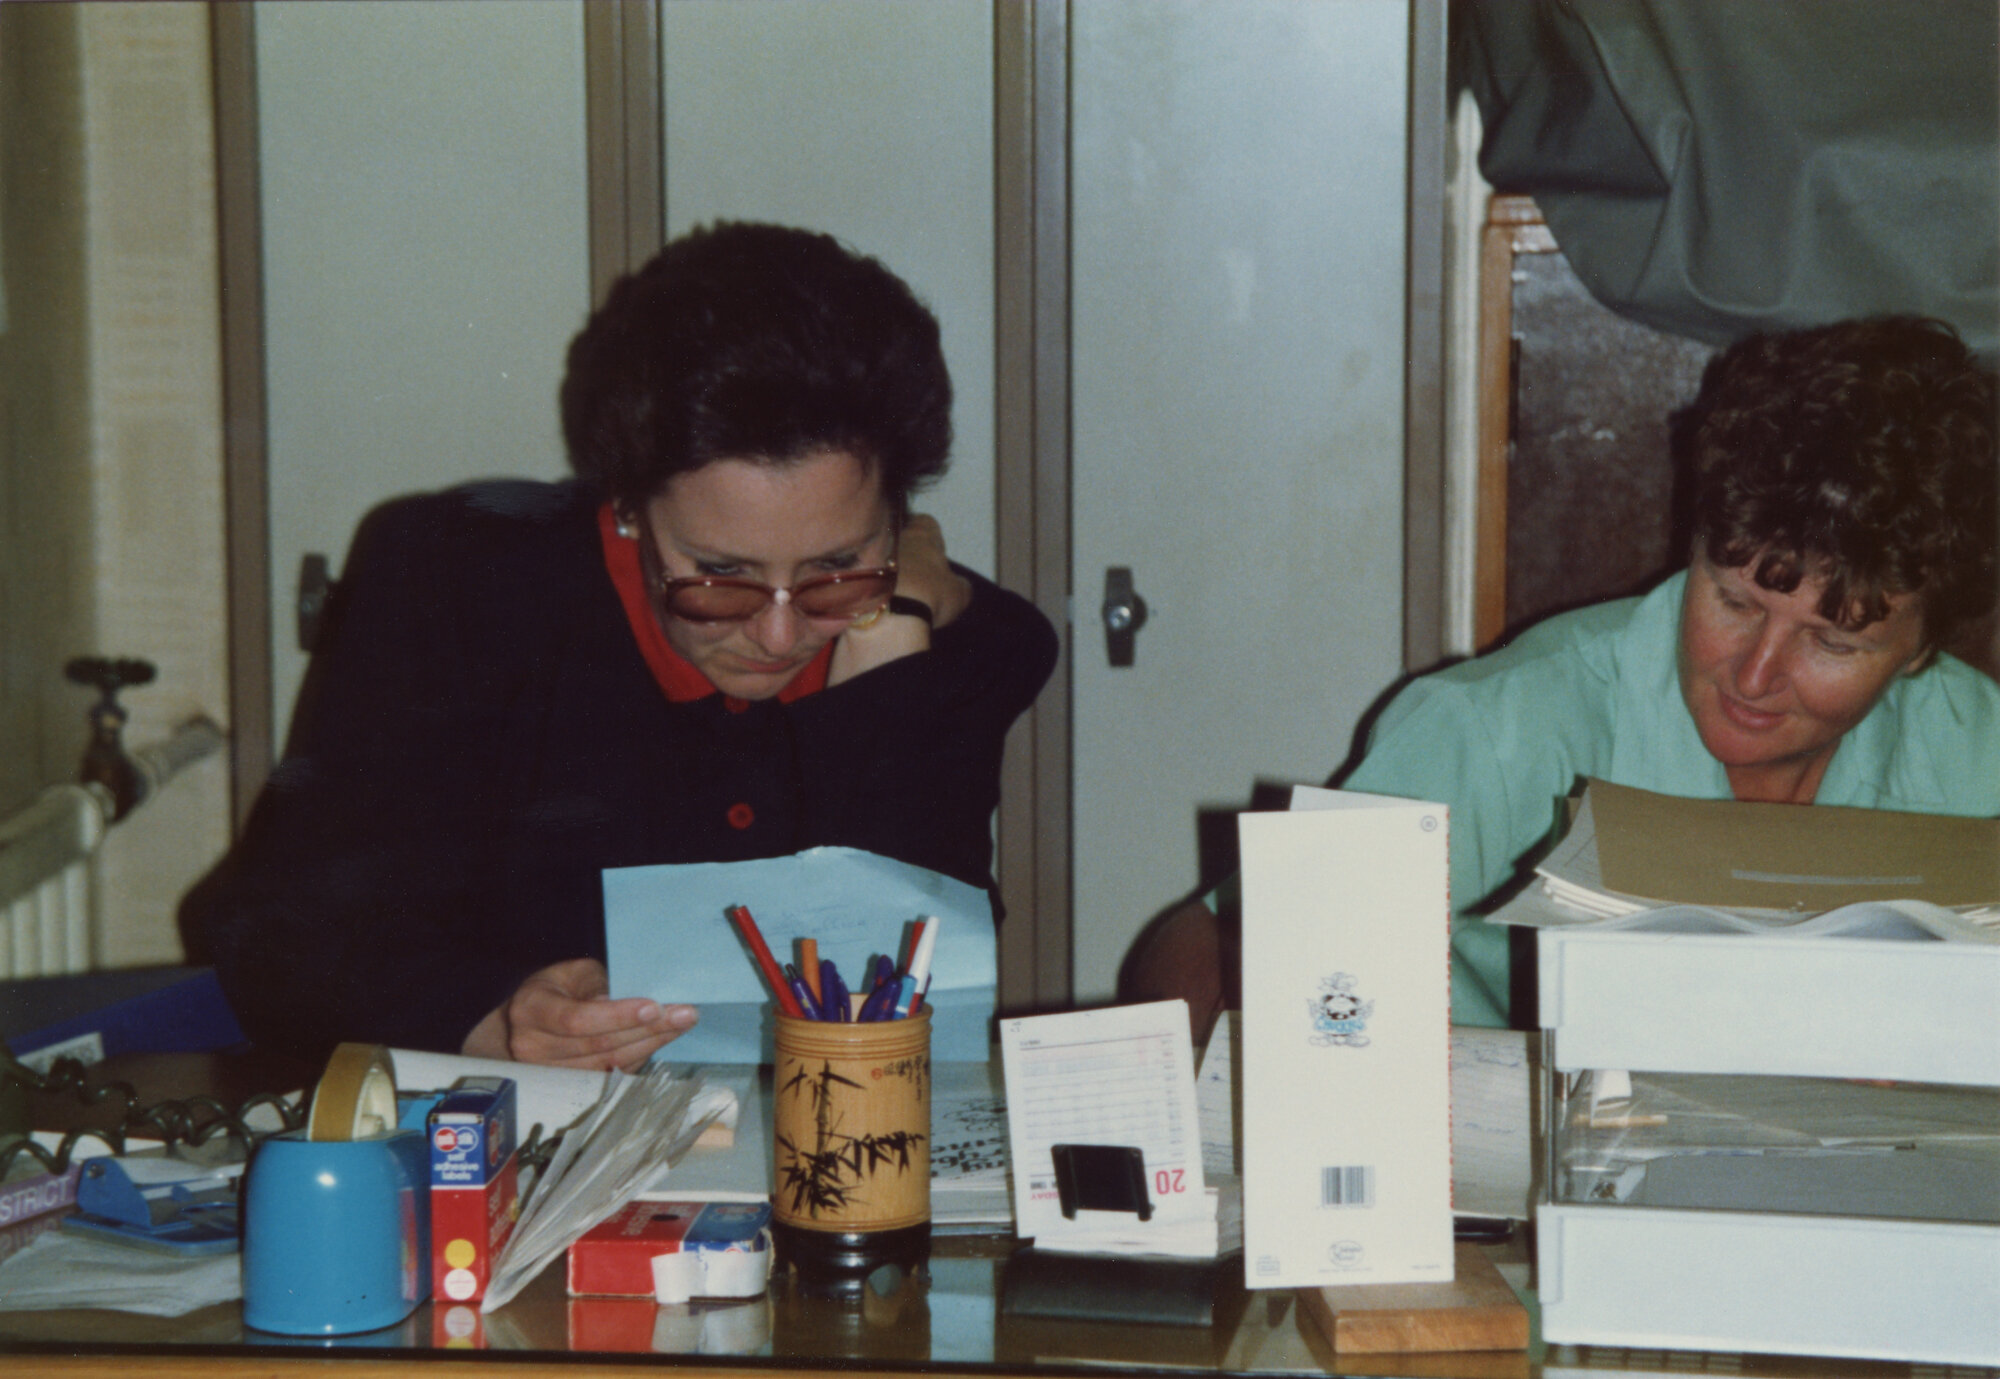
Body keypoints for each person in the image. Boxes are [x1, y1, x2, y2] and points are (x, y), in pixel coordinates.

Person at [183, 223, 1058, 1069]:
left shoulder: (943, 642)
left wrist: (889, 645)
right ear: (631, 505)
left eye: (837, 565)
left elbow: (896, 981)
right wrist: (489, 1015)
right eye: (719, 574)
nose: (781, 632)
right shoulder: (462, 587)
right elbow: (275, 934)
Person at [1125, 315, 1999, 1033]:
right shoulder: (1505, 727)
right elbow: (1210, 937)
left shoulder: (1976, 752)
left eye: (1831, 644)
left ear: (1922, 649)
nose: (1755, 675)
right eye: (1733, 602)